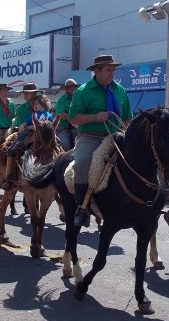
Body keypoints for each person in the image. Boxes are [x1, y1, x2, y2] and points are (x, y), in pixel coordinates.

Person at [69, 54, 132, 227]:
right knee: (82, 162)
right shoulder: (83, 91)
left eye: (113, 69)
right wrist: (95, 117)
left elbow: (127, 118)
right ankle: (81, 206)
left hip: (115, 136)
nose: (112, 73)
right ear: (96, 71)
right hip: (90, 137)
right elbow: (73, 119)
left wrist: (122, 129)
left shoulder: (120, 90)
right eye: (108, 69)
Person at [1, 91, 52, 190]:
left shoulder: (48, 115)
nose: (35, 105)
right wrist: (24, 125)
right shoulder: (34, 114)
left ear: (43, 104)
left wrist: (31, 127)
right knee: (13, 149)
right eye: (34, 104)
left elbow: (45, 127)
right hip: (30, 135)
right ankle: (9, 177)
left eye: (37, 104)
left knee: (57, 148)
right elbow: (26, 122)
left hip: (43, 139)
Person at [55, 78, 79, 151]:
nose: (74, 88)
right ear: (66, 89)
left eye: (75, 87)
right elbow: (61, 115)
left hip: (78, 126)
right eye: (71, 87)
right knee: (65, 145)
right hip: (64, 127)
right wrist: (76, 118)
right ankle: (63, 161)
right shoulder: (61, 100)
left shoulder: (79, 98)